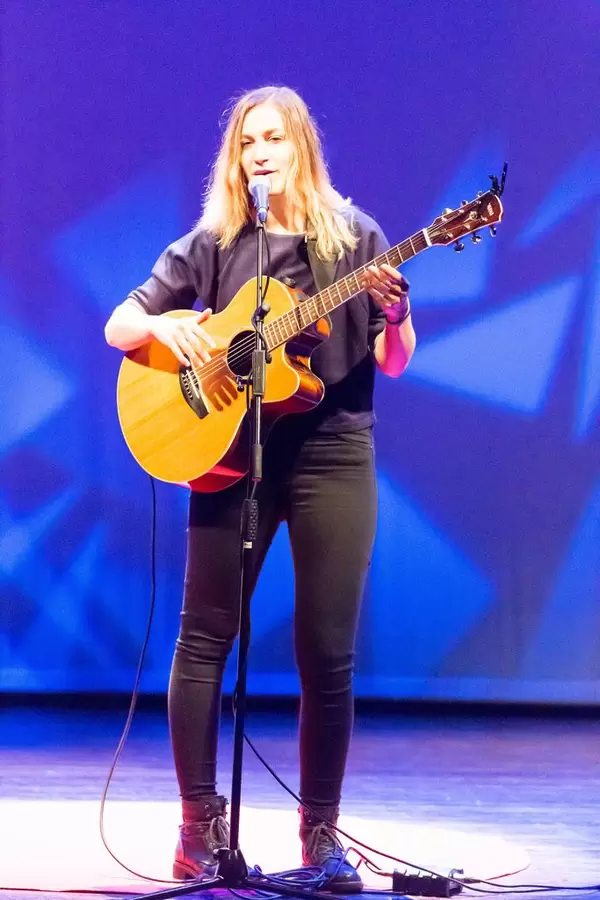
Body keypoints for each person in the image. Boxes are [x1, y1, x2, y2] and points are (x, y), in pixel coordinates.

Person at [104, 85, 416, 893]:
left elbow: (395, 361)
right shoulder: (215, 241)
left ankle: (320, 837)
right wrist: (169, 326)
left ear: (301, 146)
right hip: (232, 453)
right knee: (204, 636)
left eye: (274, 139)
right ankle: (198, 830)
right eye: (248, 143)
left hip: (334, 453)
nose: (261, 154)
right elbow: (118, 325)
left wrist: (399, 312)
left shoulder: (359, 238)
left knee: (328, 653)